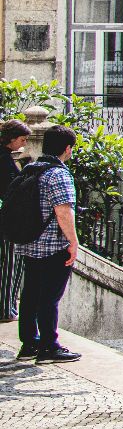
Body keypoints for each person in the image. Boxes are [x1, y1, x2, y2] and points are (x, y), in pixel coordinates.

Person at [15, 126, 81, 364]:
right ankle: (49, 347)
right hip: (53, 245)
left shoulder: (31, 168)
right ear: (67, 148)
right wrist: (73, 242)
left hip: (30, 243)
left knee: (31, 293)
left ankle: (29, 344)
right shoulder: (59, 174)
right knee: (50, 297)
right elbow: (63, 211)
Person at [0, 119, 29, 324]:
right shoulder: (4, 160)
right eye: (22, 139)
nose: (24, 144)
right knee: (10, 265)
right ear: (11, 139)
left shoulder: (6, 158)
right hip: (8, 222)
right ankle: (5, 309)